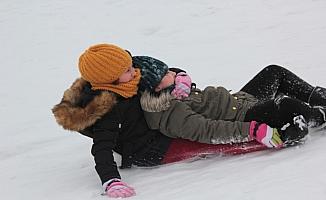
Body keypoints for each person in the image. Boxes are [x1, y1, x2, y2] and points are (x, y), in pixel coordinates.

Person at [139, 64, 326, 148]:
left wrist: (179, 78)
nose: (172, 72)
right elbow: (207, 130)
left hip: (240, 100)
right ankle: (320, 117)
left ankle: (320, 98)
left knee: (274, 72)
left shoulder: (174, 88)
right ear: (157, 87)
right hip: (244, 117)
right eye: (166, 73)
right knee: (287, 105)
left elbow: (174, 72)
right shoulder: (169, 112)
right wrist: (252, 130)